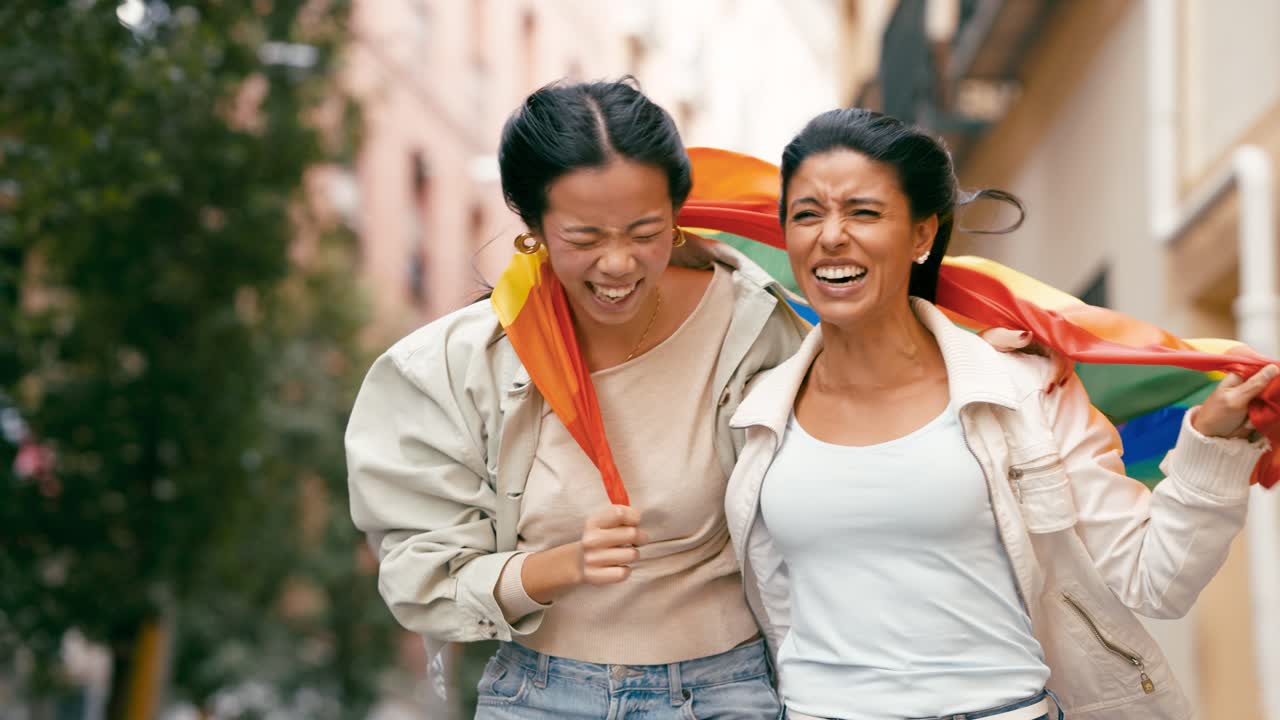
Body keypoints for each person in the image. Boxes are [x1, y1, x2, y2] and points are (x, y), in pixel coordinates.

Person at [723, 107, 1276, 720]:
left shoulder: (1022, 392)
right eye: (807, 214)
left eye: (864, 211)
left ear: (922, 235)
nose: (831, 235)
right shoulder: (754, 414)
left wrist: (1213, 445)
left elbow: (1155, 581)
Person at [345, 78, 808, 719]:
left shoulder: (759, 327)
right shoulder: (450, 368)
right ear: (533, 226)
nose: (618, 263)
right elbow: (420, 575)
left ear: (677, 213)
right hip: (540, 698)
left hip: (727, 692)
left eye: (644, 231)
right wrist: (558, 566)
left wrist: (994, 357)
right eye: (584, 238)